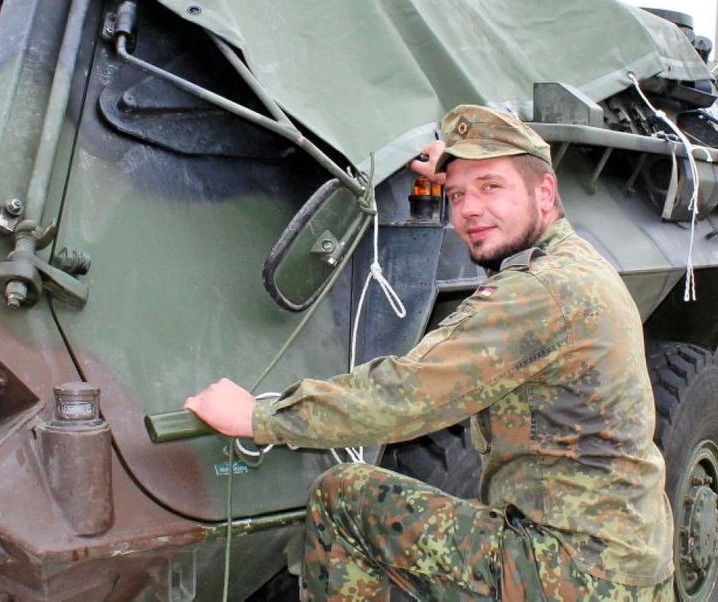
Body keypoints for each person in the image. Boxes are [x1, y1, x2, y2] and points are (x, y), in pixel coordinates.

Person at [185, 104, 674, 600]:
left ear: (545, 192)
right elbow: (503, 195)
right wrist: (463, 168)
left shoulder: (536, 292)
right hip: (628, 561)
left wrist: (260, 417)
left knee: (343, 497)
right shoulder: (575, 262)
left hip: (573, 574)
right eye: (457, 195)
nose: (468, 210)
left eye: (491, 187)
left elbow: (405, 394)